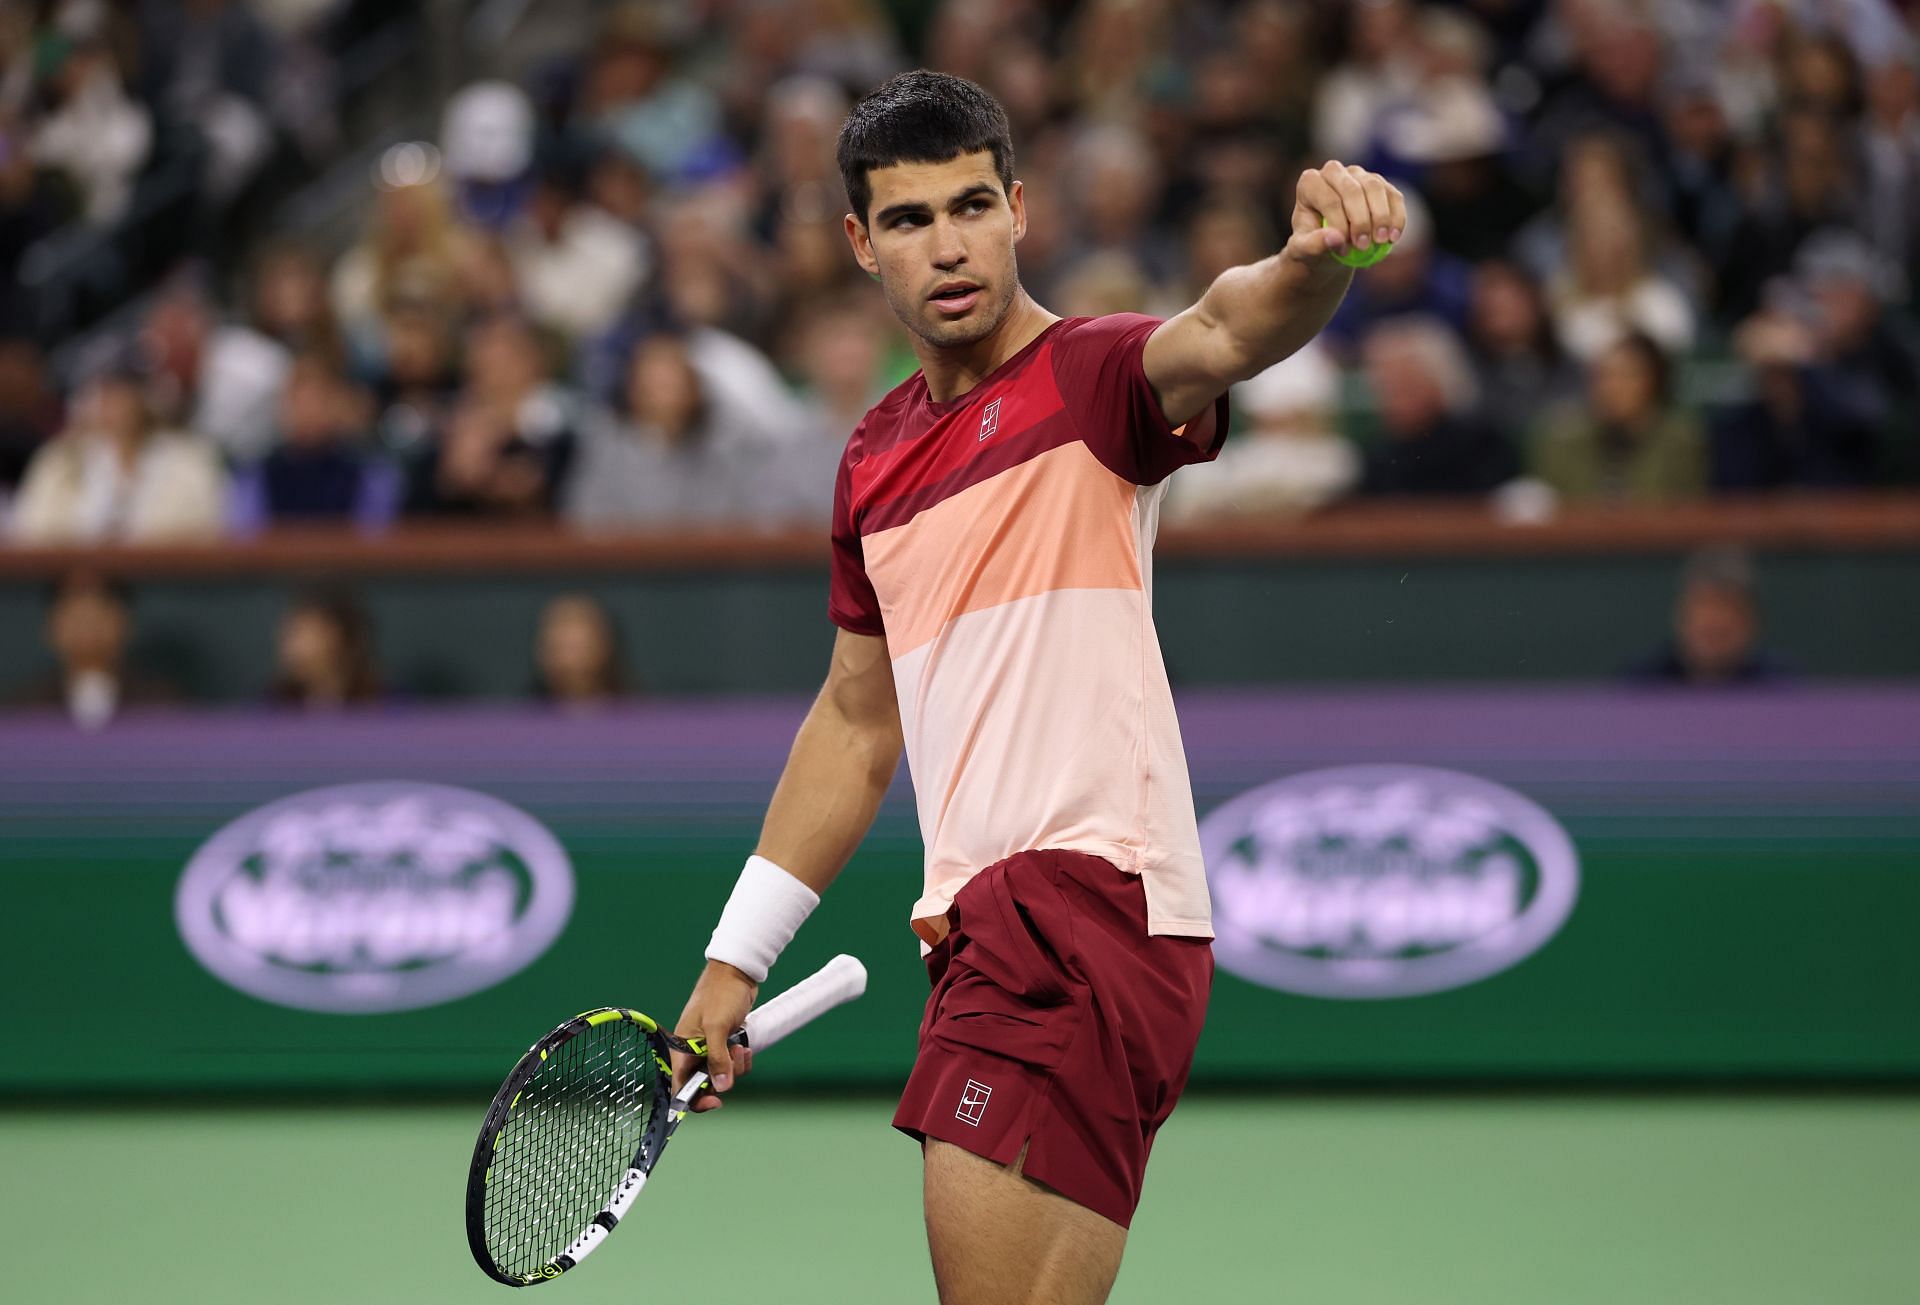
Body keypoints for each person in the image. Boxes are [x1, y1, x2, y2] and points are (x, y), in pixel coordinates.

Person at [667, 71, 1405, 1305]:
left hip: (1076, 903)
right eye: (909, 220)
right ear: (861, 244)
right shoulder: (872, 459)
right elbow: (855, 724)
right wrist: (733, 963)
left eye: (971, 207)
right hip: (1010, 931)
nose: (948, 246)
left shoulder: (1093, 376)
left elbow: (1227, 329)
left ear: (1018, 208)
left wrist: (1320, 256)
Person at [11, 367, 228, 543]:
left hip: (168, 584)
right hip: (74, 583)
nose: (114, 406)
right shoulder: (59, 460)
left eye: (123, 395)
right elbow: (31, 530)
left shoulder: (190, 460)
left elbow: (209, 529)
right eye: (105, 394)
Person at [1530, 331, 1706, 505]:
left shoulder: (1680, 442)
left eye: (1626, 376)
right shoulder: (1564, 442)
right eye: (1603, 377)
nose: (1612, 388)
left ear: (1654, 381)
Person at [19, 571, 174, 728]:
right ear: (51, 627)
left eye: (100, 609)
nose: (87, 623)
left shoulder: (160, 705)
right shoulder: (23, 711)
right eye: (74, 613)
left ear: (126, 624)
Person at [1628, 547, 1789, 685]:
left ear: (1751, 621)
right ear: (1681, 616)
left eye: (1728, 607)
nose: (1715, 621)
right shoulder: (1640, 686)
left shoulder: (1781, 688)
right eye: (1705, 605)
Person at [269, 589, 381, 709]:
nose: (292, 648)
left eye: (306, 635)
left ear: (342, 638)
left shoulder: (381, 704)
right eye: (289, 635)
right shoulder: (274, 706)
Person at [532, 593, 631, 708]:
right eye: (559, 647)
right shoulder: (519, 718)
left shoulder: (640, 716)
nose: (568, 661)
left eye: (577, 647)